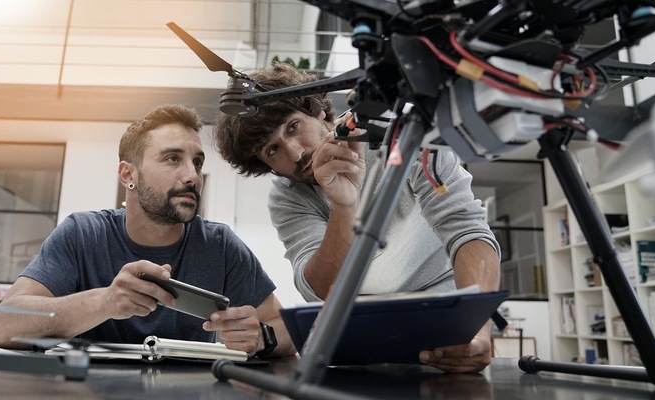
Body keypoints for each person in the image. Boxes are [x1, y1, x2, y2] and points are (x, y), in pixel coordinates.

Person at [212, 63, 500, 372]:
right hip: (360, 323)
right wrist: (343, 204)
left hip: (444, 311)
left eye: (293, 127)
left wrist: (477, 328)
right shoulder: (287, 196)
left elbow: (468, 230)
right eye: (272, 150)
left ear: (319, 111)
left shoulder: (404, 136)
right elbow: (320, 289)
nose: (294, 154)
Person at [0, 104, 295, 359]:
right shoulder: (83, 234)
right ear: (128, 174)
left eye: (197, 162)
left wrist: (261, 337)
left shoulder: (219, 245)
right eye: (173, 158)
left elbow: (287, 331)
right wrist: (104, 302)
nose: (192, 176)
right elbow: (2, 326)